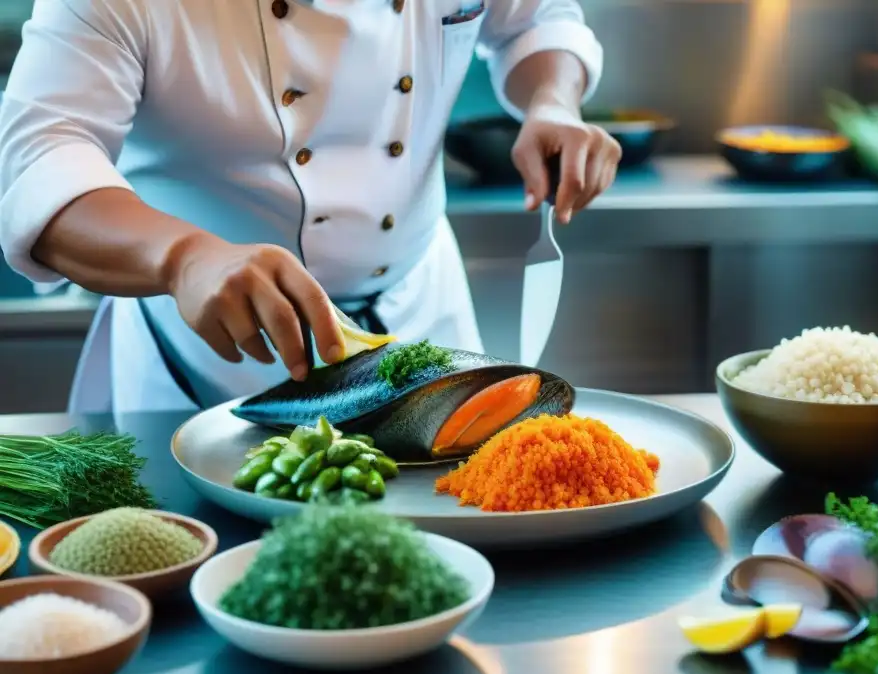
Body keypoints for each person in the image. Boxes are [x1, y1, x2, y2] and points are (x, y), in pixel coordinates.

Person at [0, 0, 620, 413]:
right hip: (219, 360)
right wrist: (184, 259)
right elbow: (38, 159)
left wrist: (553, 101)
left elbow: (536, 17)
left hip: (425, 318)